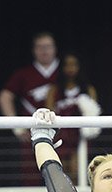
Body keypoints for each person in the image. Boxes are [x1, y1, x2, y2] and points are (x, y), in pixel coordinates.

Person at [0, 31, 59, 185]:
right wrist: (16, 127)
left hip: (65, 136)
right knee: (32, 180)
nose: (44, 51)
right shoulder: (24, 74)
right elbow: (5, 97)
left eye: (48, 46)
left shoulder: (66, 71)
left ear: (55, 48)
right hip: (33, 137)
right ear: (34, 50)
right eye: (40, 47)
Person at [45, 51, 101, 184]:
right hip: (61, 136)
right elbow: (49, 111)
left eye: (74, 65)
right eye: (67, 65)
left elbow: (93, 114)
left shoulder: (88, 90)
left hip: (79, 137)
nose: (70, 69)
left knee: (78, 170)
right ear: (62, 68)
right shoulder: (54, 90)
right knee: (61, 171)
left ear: (79, 67)